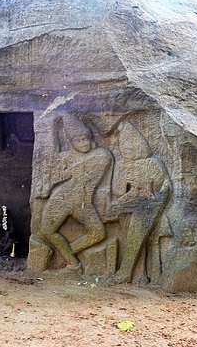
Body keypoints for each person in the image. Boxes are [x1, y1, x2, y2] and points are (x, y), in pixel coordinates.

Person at [36, 114, 112, 274]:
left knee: (98, 233)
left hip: (83, 202)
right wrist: (53, 130)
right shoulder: (66, 157)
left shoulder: (101, 155)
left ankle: (65, 254)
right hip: (62, 198)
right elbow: (53, 163)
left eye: (85, 138)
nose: (83, 143)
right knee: (46, 231)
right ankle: (73, 265)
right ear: (71, 143)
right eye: (78, 140)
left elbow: (91, 166)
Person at [107, 122, 170, 284]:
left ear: (140, 145)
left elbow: (153, 189)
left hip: (151, 204)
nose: (126, 150)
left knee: (137, 226)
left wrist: (137, 193)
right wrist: (120, 200)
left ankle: (126, 272)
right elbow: (121, 191)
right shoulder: (125, 165)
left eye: (130, 146)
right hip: (134, 204)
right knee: (125, 225)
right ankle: (139, 274)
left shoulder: (152, 163)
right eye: (123, 146)